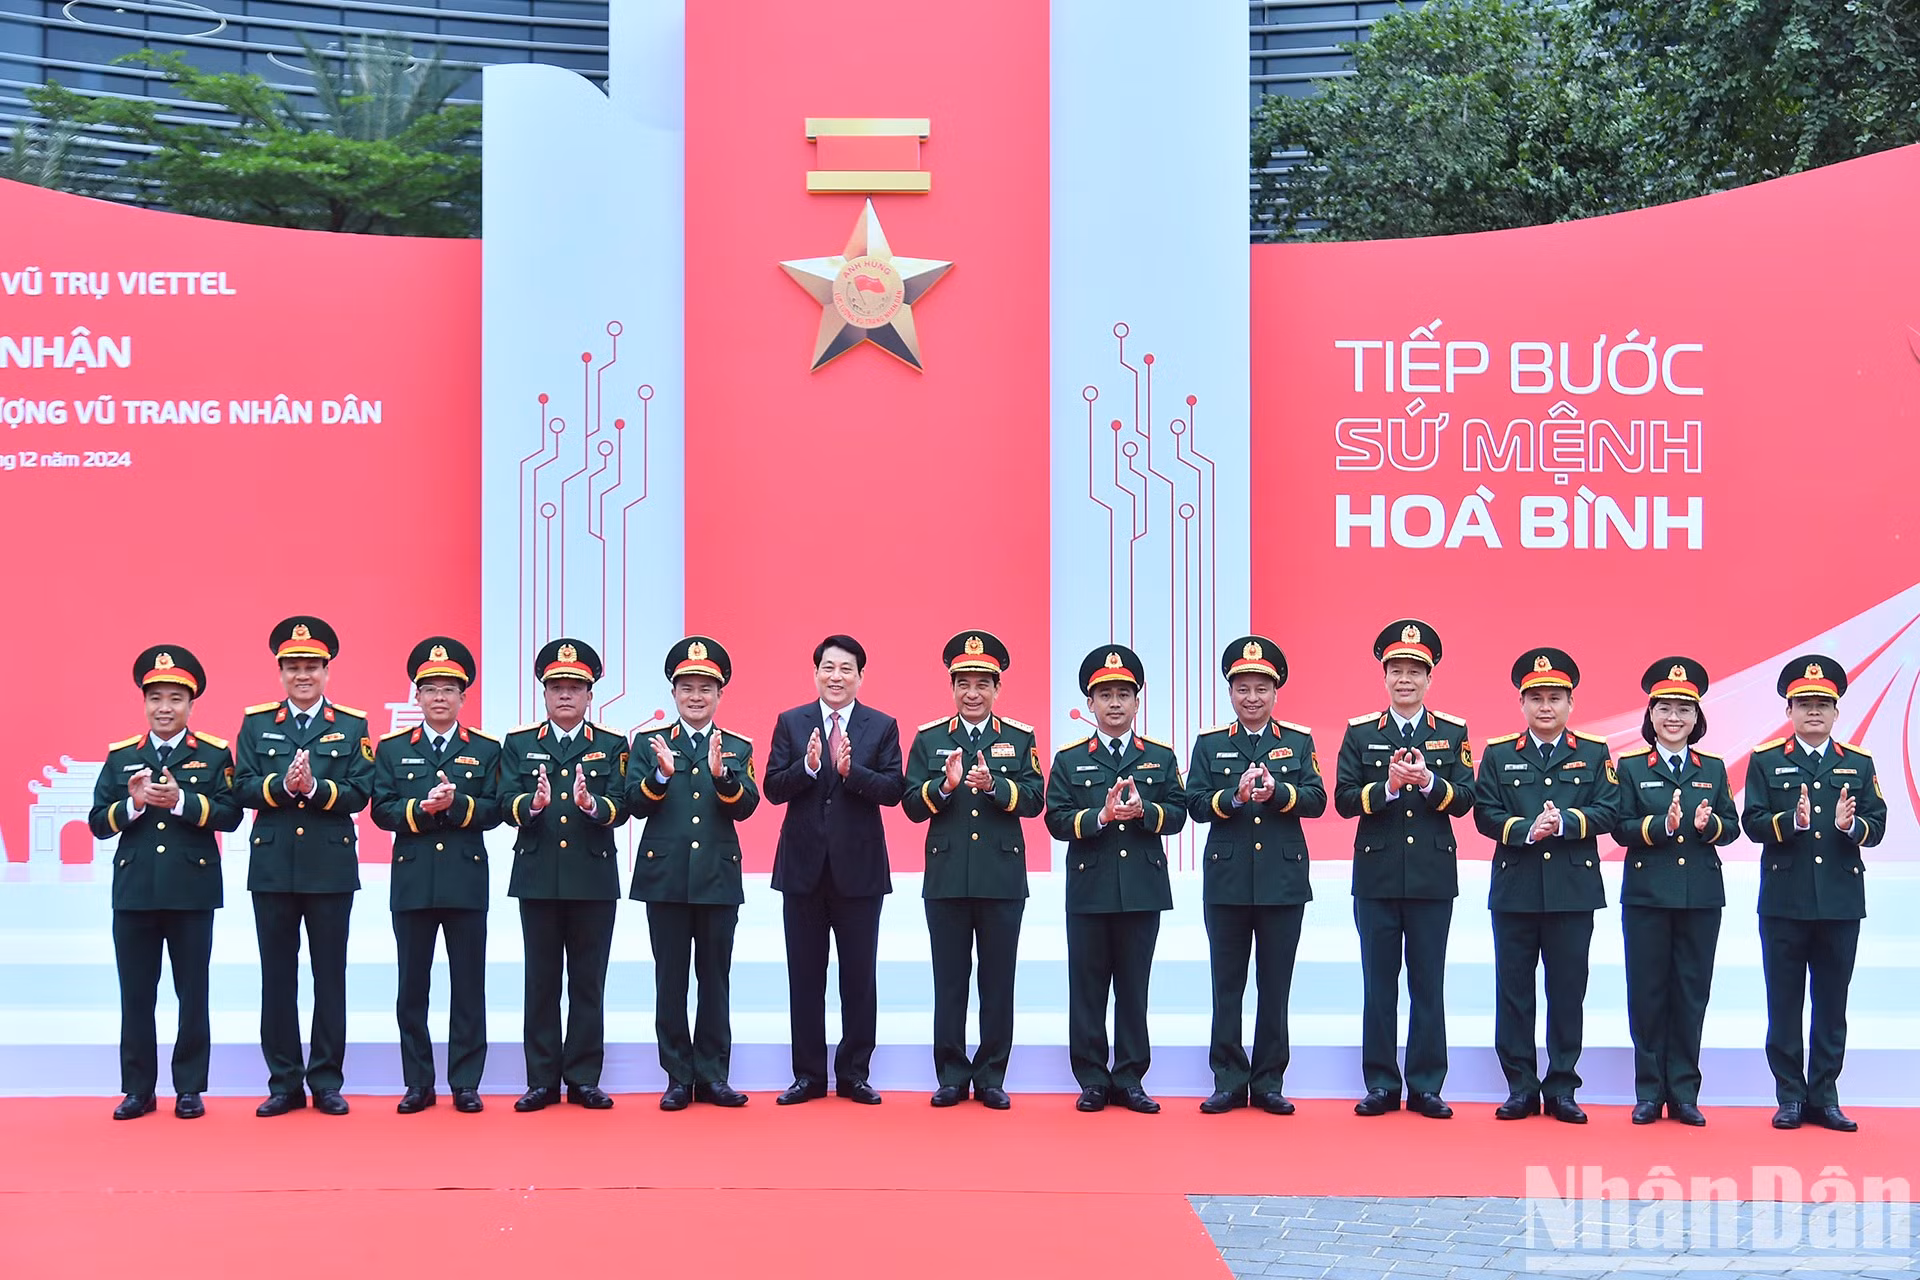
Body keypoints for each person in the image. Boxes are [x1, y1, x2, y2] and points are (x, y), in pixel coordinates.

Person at [90, 646, 241, 1120]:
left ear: (191, 705)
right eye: (155, 698)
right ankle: (138, 1089)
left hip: (191, 893)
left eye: (175, 698)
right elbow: (97, 822)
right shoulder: (121, 756)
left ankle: (189, 1088)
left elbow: (230, 815)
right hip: (134, 893)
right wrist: (133, 806)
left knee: (192, 994)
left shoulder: (213, 754)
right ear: (144, 702)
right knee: (136, 996)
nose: (164, 708)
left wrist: (181, 801)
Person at [1333, 620, 1474, 1120]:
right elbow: (1343, 799)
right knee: (1379, 985)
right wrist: (1389, 788)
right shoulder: (1361, 732)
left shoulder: (1452, 732)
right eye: (1397, 670)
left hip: (1432, 878)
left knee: (1428, 985)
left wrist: (1430, 782)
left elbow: (1466, 799)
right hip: (1377, 877)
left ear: (1430, 678)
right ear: (1384, 676)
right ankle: (1380, 1083)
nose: (1405, 679)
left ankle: (1427, 1085)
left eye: (1415, 671)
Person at [1472, 648, 1618, 1124]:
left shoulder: (1593, 753)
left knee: (1567, 992)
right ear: (1522, 703)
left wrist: (1566, 822)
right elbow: (1484, 813)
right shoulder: (1499, 753)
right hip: (1515, 890)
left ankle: (1562, 1087)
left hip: (1572, 891)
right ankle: (1520, 1087)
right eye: (1536, 698)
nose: (1546, 707)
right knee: (1514, 992)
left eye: (1555, 698)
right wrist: (1525, 830)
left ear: (1571, 703)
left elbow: (1610, 810)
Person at [234, 616, 372, 1117]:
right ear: (280, 673)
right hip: (273, 868)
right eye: (293, 667)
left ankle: (327, 1081)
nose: (302, 675)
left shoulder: (351, 725)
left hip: (329, 868)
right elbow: (241, 786)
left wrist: (313, 789)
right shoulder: (257, 724)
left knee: (329, 977)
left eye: (311, 666)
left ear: (326, 672)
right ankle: (284, 1082)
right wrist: (281, 786)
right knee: (277, 978)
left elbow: (360, 792)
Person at [1742, 654, 1886, 1133]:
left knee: (1831, 1004)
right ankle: (1789, 1096)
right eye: (1804, 704)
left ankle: (1825, 1096)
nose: (1814, 712)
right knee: (1783, 1003)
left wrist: (1852, 827)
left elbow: (1878, 824)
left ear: (1836, 711)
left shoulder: (1858, 762)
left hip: (1840, 902)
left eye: (1823, 704)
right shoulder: (1767, 760)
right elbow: (1753, 822)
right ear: (1789, 711)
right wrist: (1793, 821)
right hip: (1784, 902)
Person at [901, 631, 1044, 1110]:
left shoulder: (1019, 738)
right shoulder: (930, 738)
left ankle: (991, 1076)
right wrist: (944, 787)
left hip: (1002, 878)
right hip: (947, 878)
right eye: (963, 683)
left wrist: (995, 786)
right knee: (950, 981)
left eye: (983, 683)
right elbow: (910, 805)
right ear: (952, 686)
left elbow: (1035, 799)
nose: (973, 693)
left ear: (997, 688)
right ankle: (950, 1075)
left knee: (998, 982)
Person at [1044, 645, 1187, 1114]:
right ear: (1090, 703)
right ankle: (1091, 1079)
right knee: (1087, 989)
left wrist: (1146, 811)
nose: (1115, 704)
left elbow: (1179, 814)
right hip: (1090, 889)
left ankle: (1130, 1078)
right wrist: (1100, 817)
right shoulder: (1069, 759)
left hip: (1142, 890)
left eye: (1123, 695)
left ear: (1137, 702)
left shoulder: (1159, 756)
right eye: (1105, 695)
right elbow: (1056, 819)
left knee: (1133, 989)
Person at [764, 634, 906, 1105]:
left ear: (861, 676)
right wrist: (807, 768)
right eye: (828, 667)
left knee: (858, 978)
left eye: (846, 668)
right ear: (815, 673)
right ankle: (807, 1076)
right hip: (802, 870)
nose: (836, 676)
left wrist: (852, 774)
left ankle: (854, 1074)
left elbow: (894, 790)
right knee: (804, 978)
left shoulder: (881, 726)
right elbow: (772, 788)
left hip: (859, 872)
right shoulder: (791, 722)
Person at [1186, 636, 1324, 1117]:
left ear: (1275, 692)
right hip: (1226, 883)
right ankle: (1228, 1079)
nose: (1251, 697)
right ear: (1230, 692)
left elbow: (1317, 800)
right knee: (1226, 986)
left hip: (1282, 883)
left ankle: (1268, 1081)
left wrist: (1278, 793)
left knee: (1275, 985)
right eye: (1242, 688)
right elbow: (1195, 804)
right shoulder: (1210, 744)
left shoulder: (1298, 742)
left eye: (1261, 688)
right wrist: (1236, 798)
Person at [624, 636, 760, 1111]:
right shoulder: (649, 744)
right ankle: (678, 1077)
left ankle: (713, 1075)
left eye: (705, 688)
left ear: (720, 694)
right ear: (674, 693)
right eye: (687, 688)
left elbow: (747, 805)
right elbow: (633, 803)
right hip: (665, 879)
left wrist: (724, 776)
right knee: (671, 981)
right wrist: (660, 775)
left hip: (718, 879)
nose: (696, 697)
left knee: (715, 980)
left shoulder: (737, 746)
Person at [369, 637, 501, 1115]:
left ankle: (465, 1082)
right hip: (413, 881)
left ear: (463, 697)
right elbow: (381, 810)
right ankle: (418, 1082)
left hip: (465, 882)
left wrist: (458, 804)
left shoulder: (485, 749)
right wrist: (421, 810)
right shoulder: (392, 749)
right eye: (430, 689)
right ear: (417, 696)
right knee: (412, 988)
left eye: (448, 689)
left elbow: (495, 809)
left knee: (468, 986)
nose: (439, 697)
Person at [499, 638, 629, 1112]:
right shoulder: (519, 743)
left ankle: (583, 1078)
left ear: (590, 694)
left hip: (592, 878)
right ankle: (541, 1080)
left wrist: (594, 805)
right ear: (544, 693)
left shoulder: (611, 744)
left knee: (588, 983)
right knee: (541, 982)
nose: (566, 695)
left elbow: (625, 804)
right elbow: (502, 802)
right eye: (557, 687)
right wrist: (530, 805)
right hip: (537, 877)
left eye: (575, 687)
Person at [1609, 657, 1737, 1127]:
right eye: (1664, 708)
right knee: (1647, 994)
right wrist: (1661, 825)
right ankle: (1649, 1092)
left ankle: (1683, 1093)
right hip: (1647, 895)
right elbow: (1619, 826)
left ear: (1697, 717)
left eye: (1684, 709)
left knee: (1691, 993)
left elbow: (1732, 827)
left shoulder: (1713, 768)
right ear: (1651, 715)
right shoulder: (1630, 766)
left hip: (1700, 897)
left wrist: (1709, 825)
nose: (1674, 717)